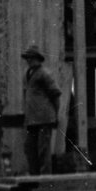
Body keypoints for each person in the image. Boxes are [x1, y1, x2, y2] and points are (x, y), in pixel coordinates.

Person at [22, 44, 64, 175]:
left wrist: (56, 116)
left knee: (43, 151)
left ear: (38, 59)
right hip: (32, 120)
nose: (29, 60)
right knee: (29, 149)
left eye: (32, 57)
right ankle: (34, 181)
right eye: (28, 57)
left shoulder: (45, 74)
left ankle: (45, 184)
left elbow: (56, 94)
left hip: (44, 119)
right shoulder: (27, 74)